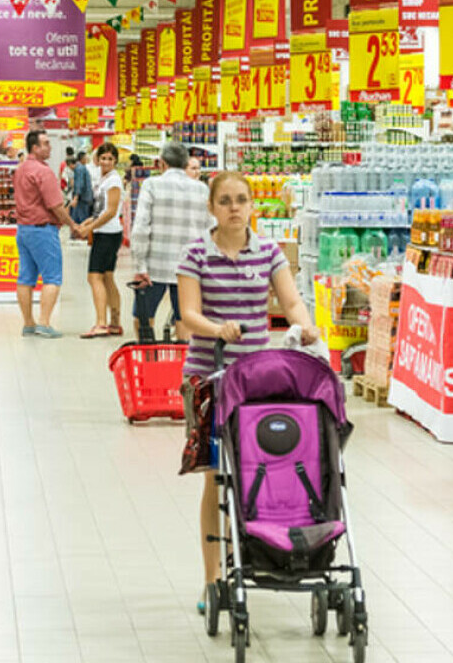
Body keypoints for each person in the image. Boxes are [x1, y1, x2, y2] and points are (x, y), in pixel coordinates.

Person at [176, 171, 320, 612]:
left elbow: (290, 300)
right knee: (216, 479)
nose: (234, 207)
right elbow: (187, 313)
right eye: (225, 200)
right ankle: (212, 578)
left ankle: (251, 557)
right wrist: (217, 329)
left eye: (242, 199)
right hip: (209, 378)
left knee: (258, 471)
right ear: (211, 208)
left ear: (253, 205)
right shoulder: (196, 254)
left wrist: (305, 325)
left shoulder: (270, 252)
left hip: (258, 381)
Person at [130, 142, 212, 344]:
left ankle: (148, 359)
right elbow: (211, 229)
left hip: (154, 266)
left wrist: (140, 265)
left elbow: (141, 227)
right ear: (185, 163)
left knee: (143, 315)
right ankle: (183, 364)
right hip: (189, 267)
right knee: (184, 316)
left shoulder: (151, 185)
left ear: (162, 164)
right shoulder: (202, 189)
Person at [15, 129, 83, 338]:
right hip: (43, 230)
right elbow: (56, 206)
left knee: (26, 278)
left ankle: (28, 323)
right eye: (45, 143)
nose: (50, 146)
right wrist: (73, 224)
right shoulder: (43, 172)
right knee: (52, 277)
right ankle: (44, 323)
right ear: (35, 148)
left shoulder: (21, 169)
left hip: (24, 229)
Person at [75, 143, 126, 339]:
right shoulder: (104, 179)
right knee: (107, 277)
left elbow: (111, 211)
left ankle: (101, 323)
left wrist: (90, 228)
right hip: (106, 232)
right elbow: (100, 210)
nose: (105, 162)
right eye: (103, 158)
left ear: (115, 161)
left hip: (107, 234)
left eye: (110, 159)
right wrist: (88, 222)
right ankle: (114, 323)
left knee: (94, 277)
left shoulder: (113, 181)